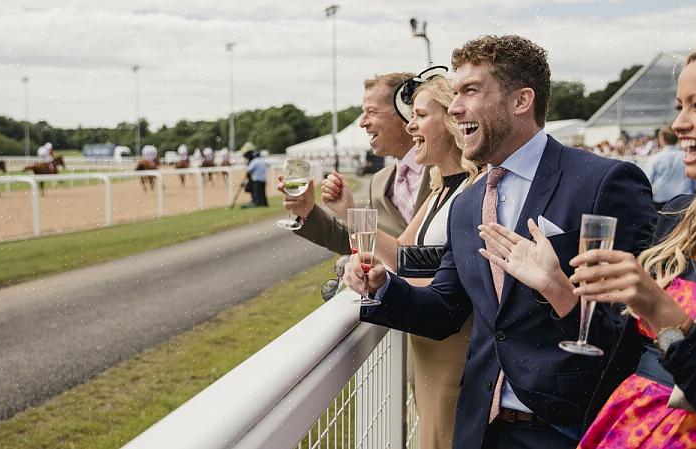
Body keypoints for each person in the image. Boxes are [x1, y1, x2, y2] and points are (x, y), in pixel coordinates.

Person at [479, 35, 696, 449]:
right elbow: (620, 354)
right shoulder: (678, 219)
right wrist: (557, 287)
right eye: (679, 107)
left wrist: (663, 312)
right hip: (620, 430)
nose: (677, 125)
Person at [342, 35, 657, 449]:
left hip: (568, 430)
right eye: (454, 94)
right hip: (481, 429)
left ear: (521, 101)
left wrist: (558, 290)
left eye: (470, 92)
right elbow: (444, 310)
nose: (456, 108)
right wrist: (382, 286)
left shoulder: (605, 182)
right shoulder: (468, 203)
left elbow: (640, 329)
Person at [366, 67, 481, 449]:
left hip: (455, 348)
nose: (409, 125)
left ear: (451, 120)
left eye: (419, 115)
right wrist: (352, 221)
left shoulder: (476, 188)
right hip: (427, 350)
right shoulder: (438, 191)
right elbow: (403, 256)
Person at [279, 72, 431, 255]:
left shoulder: (448, 170)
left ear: (406, 113)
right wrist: (309, 211)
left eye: (371, 112)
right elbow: (359, 245)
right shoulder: (378, 182)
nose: (362, 123)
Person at [644, 126, 696, 210]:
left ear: (662, 139)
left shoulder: (655, 158)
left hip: (661, 204)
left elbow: (647, 182)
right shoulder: (687, 156)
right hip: (685, 202)